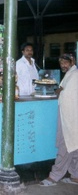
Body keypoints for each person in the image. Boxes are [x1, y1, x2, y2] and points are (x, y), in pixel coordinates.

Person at [40, 54, 78, 187]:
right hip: (69, 116)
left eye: (65, 63)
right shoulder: (71, 73)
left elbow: (65, 93)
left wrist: (58, 91)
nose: (63, 66)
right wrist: (59, 90)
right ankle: (76, 176)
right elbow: (62, 89)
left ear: (72, 61)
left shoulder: (74, 75)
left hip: (71, 117)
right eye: (61, 63)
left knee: (66, 145)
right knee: (74, 146)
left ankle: (54, 177)